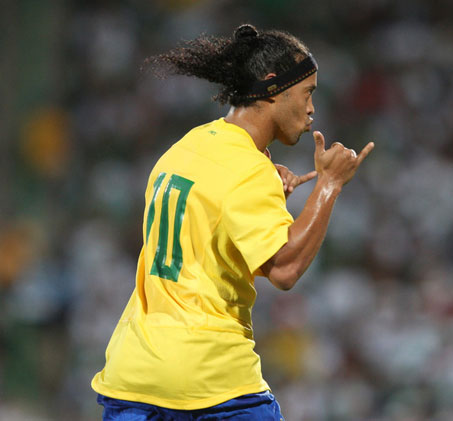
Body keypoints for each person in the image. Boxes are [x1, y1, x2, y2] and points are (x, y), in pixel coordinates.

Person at [90, 23, 374, 420]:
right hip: (210, 381)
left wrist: (272, 199)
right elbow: (285, 269)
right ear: (274, 88)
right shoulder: (249, 172)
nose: (312, 109)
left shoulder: (186, 147)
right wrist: (328, 186)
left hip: (134, 375)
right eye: (308, 93)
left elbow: (210, 255)